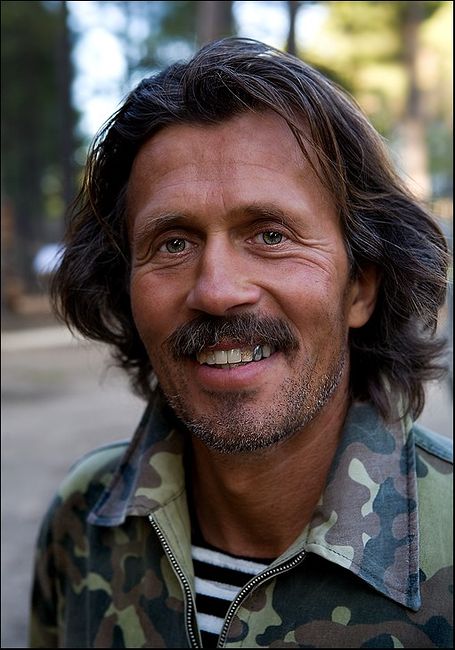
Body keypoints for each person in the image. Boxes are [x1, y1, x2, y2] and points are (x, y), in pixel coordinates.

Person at [29, 37, 452, 648]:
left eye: (271, 235)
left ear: (360, 287)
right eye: (173, 243)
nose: (217, 290)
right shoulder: (84, 520)